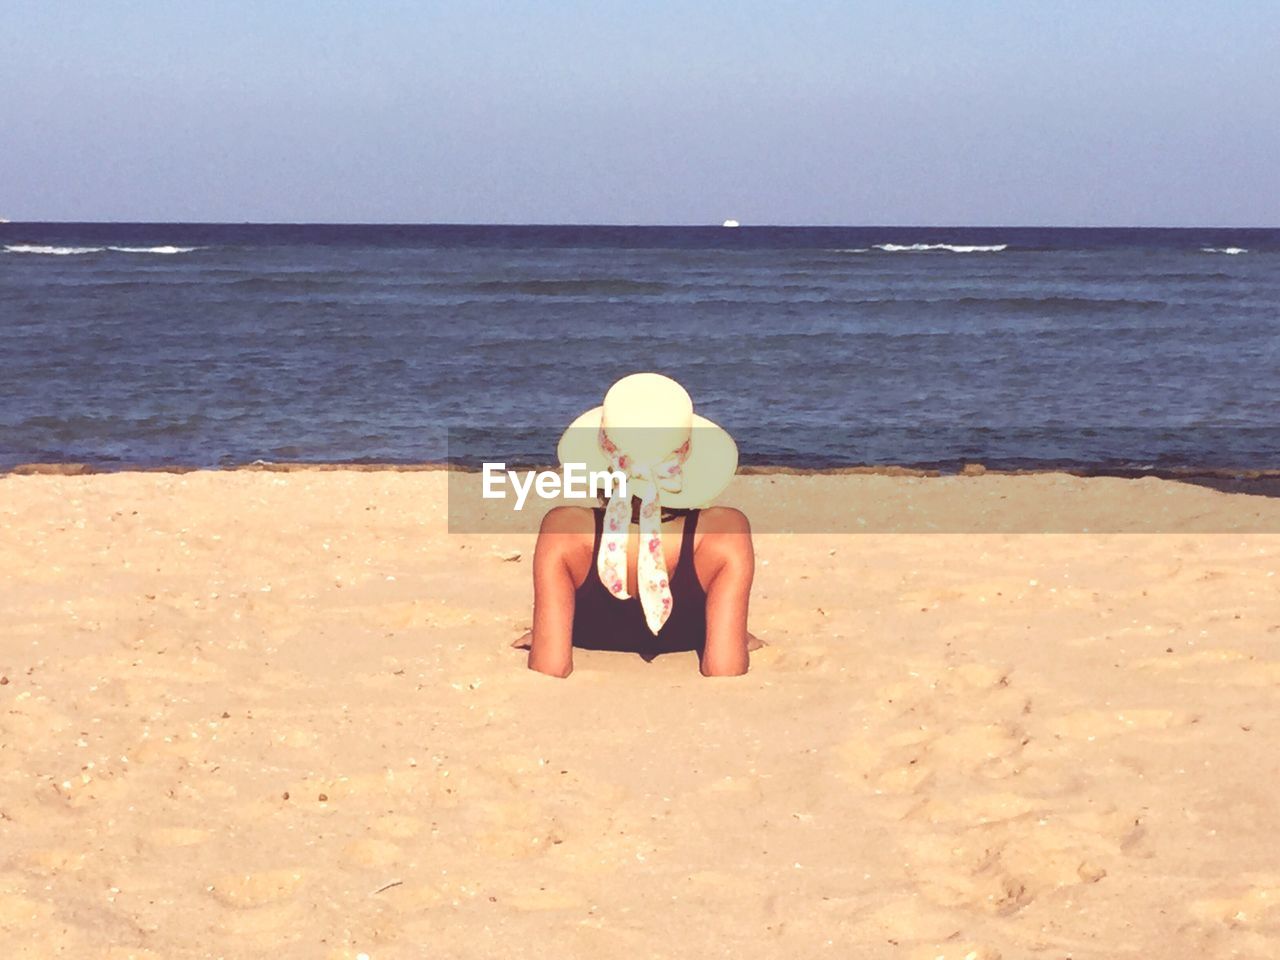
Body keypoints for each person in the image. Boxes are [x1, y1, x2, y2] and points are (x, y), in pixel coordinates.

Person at [514, 372, 759, 677]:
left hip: (592, 630)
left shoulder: (564, 530)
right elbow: (724, 668)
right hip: (687, 631)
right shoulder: (723, 535)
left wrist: (547, 633)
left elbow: (551, 665)